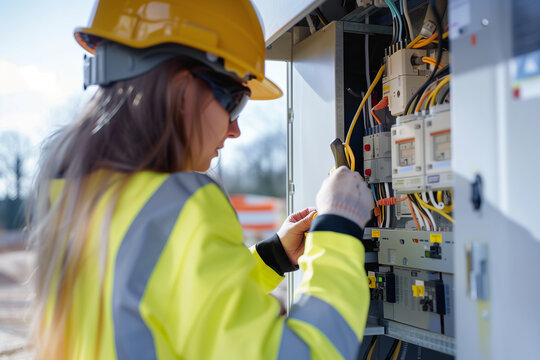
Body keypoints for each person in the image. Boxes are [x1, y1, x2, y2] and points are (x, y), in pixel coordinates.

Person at [28, 0, 374, 359]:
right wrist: (338, 227)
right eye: (236, 102)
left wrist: (272, 257)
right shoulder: (178, 206)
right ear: (182, 91)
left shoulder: (79, 197)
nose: (236, 129)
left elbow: (172, 305)